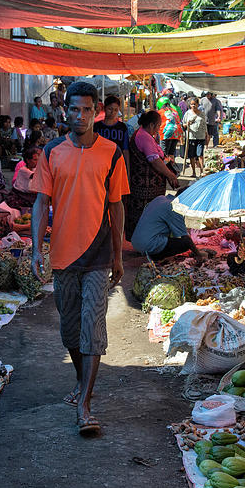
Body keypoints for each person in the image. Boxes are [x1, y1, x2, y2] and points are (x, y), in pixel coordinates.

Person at [29, 81, 130, 435]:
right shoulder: (52, 151)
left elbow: (117, 206)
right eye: (74, 109)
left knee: (92, 326)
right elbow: (41, 202)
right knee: (70, 329)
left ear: (96, 111)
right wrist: (35, 249)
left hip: (99, 253)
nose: (80, 116)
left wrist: (118, 255)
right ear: (64, 111)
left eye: (87, 109)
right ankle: (81, 381)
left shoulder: (112, 153)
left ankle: (85, 405)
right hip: (62, 255)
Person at [124, 110, 179, 240]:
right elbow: (154, 160)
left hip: (147, 185)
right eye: (158, 125)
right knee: (145, 214)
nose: (159, 128)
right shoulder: (144, 137)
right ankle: (144, 240)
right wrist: (170, 175)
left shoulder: (145, 135)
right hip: (144, 186)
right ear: (151, 125)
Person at [131, 192, 207, 261]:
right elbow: (185, 238)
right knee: (184, 244)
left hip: (136, 242)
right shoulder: (174, 208)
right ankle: (156, 256)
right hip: (148, 245)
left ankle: (154, 253)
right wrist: (198, 254)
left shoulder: (160, 198)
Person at [182, 97, 207, 178]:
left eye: (195, 104)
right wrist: (187, 124)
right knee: (192, 156)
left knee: (200, 155)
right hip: (191, 137)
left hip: (200, 137)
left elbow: (205, 125)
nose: (193, 106)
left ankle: (201, 171)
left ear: (198, 104)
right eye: (192, 104)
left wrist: (207, 134)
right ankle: (193, 172)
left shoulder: (202, 114)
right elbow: (183, 125)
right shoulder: (187, 113)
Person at [157, 96, 182, 166]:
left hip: (165, 134)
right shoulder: (174, 111)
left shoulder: (160, 112)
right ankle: (172, 168)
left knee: (164, 153)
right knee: (171, 153)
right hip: (176, 134)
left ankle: (165, 170)